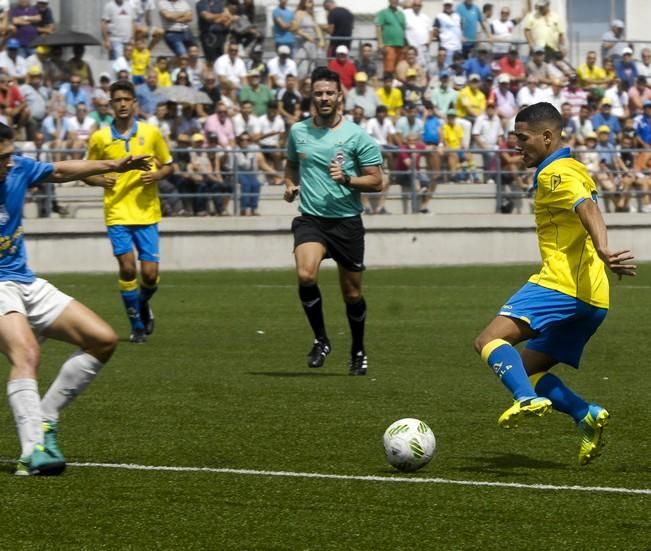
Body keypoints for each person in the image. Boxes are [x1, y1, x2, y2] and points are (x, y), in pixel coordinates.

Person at [473, 102, 636, 465]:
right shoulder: (573, 167)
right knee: (528, 367)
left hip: (562, 285)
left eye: (523, 137)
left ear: (547, 137)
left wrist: (604, 248)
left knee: (488, 340)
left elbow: (587, 209)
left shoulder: (555, 174)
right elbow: (588, 206)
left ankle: (525, 400)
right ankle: (585, 414)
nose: (517, 143)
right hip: (594, 298)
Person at [0, 121, 151, 476]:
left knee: (102, 340)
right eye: (3, 156)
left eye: (10, 154)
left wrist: (112, 165)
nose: (10, 162)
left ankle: (46, 417)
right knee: (27, 353)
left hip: (25, 281)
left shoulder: (19, 168)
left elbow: (62, 170)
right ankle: (32, 450)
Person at [283, 67, 383, 375]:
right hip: (312, 220)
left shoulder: (356, 136)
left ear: (340, 96)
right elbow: (291, 165)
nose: (324, 98)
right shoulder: (298, 131)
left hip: (347, 223)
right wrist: (289, 184)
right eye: (318, 93)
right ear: (311, 96)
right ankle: (321, 339)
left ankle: (358, 349)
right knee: (305, 274)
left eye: (330, 93)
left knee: (352, 294)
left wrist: (348, 179)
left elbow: (377, 181)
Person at [85, 80, 175, 343]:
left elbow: (169, 165)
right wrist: (102, 180)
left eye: (127, 99)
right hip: (116, 213)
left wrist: (157, 174)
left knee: (149, 274)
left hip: (146, 212)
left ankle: (142, 304)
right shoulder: (100, 137)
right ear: (110, 104)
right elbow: (86, 172)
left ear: (134, 103)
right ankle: (136, 326)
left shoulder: (151, 133)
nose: (122, 104)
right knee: (127, 268)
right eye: (117, 100)